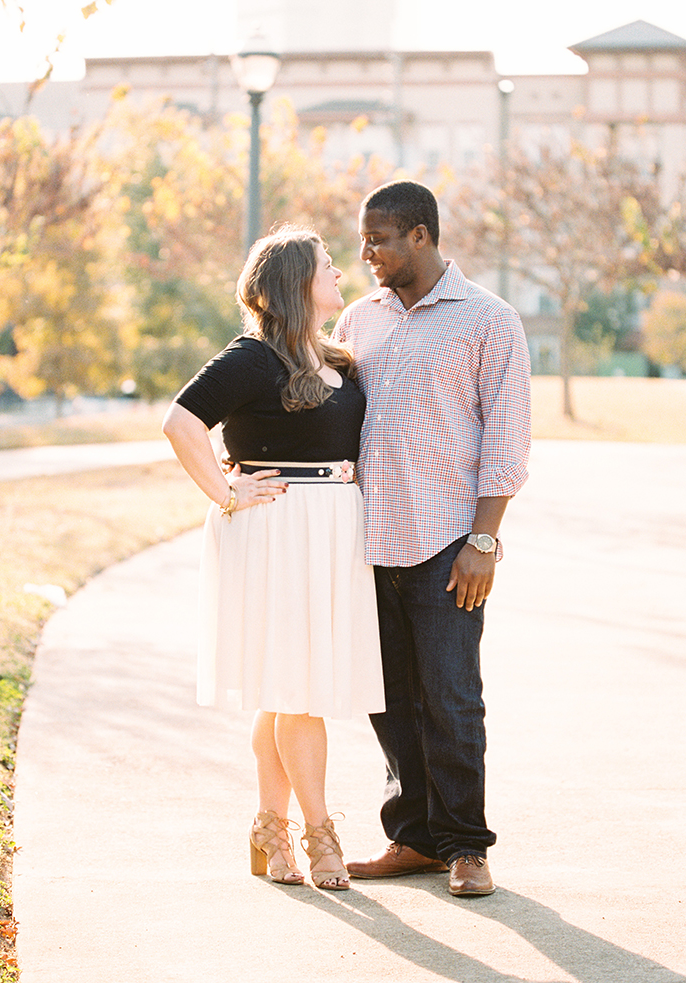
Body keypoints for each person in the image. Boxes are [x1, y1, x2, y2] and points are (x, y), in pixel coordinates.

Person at [162, 227, 385, 891]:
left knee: (285, 686)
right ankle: (320, 835)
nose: (341, 272)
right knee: (300, 691)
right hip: (272, 530)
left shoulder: (341, 361)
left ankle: (267, 827)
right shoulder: (251, 358)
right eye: (327, 266)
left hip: (331, 529)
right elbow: (180, 423)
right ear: (296, 282)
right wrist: (225, 491)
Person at [334, 180, 531, 896]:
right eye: (363, 239)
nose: (366, 253)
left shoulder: (488, 320)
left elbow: (506, 440)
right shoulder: (358, 321)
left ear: (421, 235)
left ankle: (466, 845)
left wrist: (485, 540)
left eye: (379, 238)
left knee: (450, 697)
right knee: (385, 698)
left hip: (447, 542)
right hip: (365, 543)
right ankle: (413, 836)